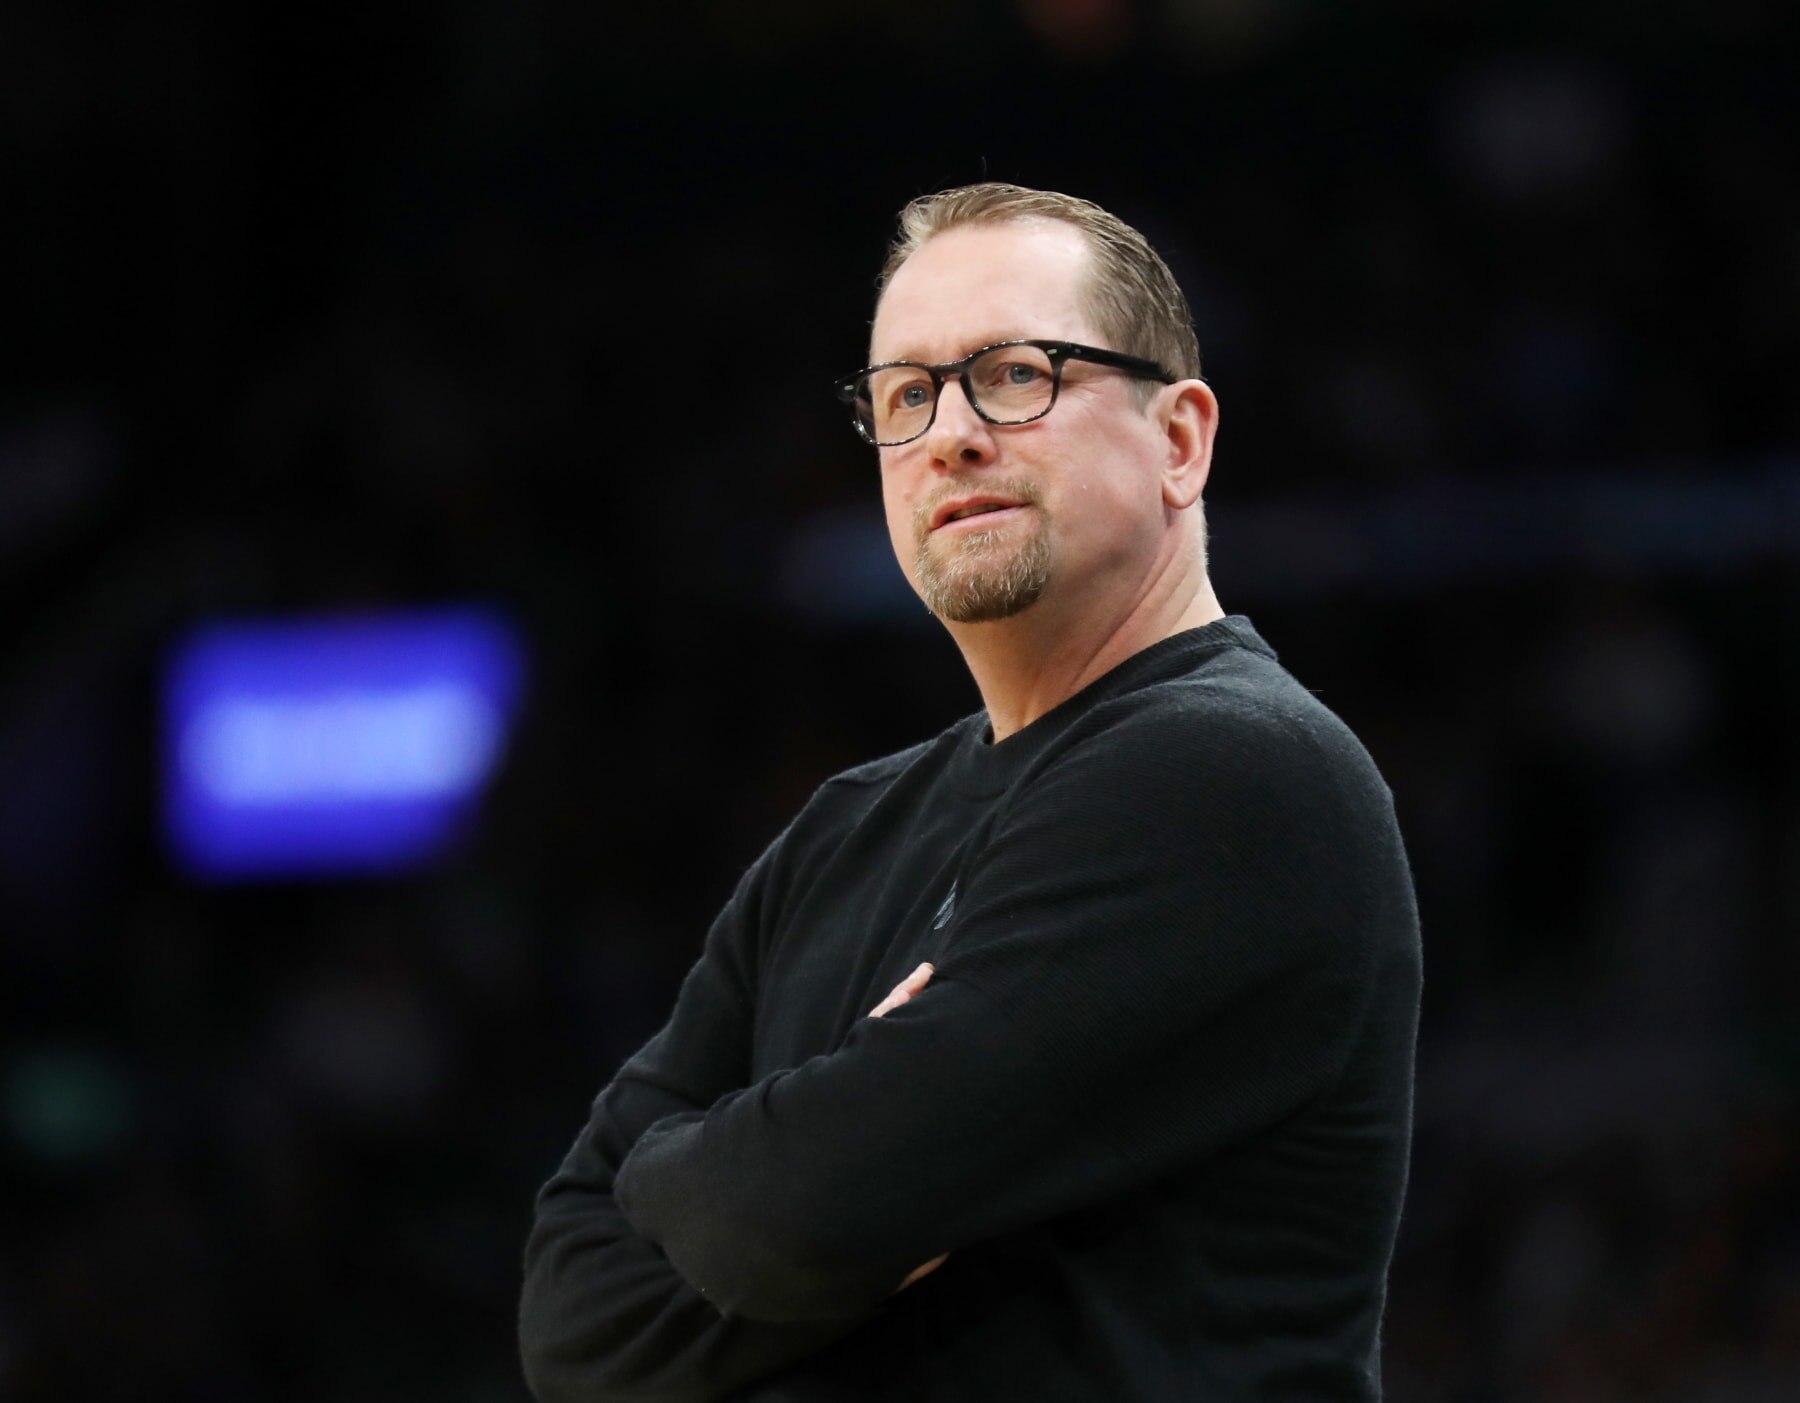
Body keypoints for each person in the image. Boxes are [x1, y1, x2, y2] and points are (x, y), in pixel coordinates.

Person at [519, 182, 1422, 1402]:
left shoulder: (1233, 773)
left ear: (1181, 439)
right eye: (905, 395)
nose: (949, 433)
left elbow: (795, 1219)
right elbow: (573, 1319)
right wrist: (803, 1171)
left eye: (1014, 374)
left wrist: (727, 1184)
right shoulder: (843, 829)